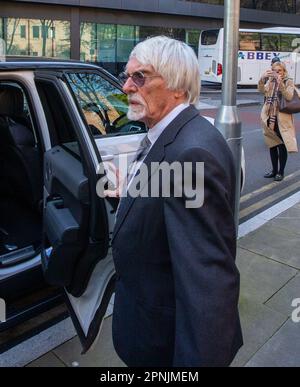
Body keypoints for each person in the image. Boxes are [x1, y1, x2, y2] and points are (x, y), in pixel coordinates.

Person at [109, 36, 243, 367]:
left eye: (139, 77)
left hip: (159, 344)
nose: (126, 86)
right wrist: (134, 191)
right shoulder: (175, 133)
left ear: (178, 88)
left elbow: (207, 284)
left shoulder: (191, 154)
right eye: (127, 75)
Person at [258, 61, 298, 181]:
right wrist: (262, 79)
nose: (276, 73)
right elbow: (262, 91)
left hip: (282, 118)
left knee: (281, 145)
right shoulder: (270, 81)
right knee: (272, 144)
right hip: (270, 116)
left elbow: (289, 96)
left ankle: (281, 172)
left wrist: (280, 84)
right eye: (274, 70)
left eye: (279, 70)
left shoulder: (288, 81)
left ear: (284, 71)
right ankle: (274, 170)